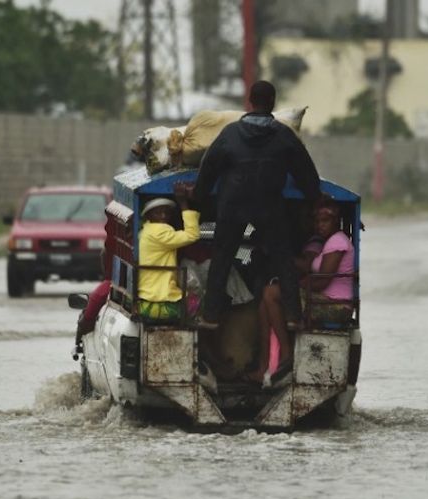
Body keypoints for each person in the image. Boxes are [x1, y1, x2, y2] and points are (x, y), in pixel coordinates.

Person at [192, 80, 322, 330]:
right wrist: (313, 195)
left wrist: (198, 195)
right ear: (272, 102)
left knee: (222, 256)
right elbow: (306, 172)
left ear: (250, 102)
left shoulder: (229, 134)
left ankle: (211, 317)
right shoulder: (284, 136)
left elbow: (208, 168)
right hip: (269, 206)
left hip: (232, 206)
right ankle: (294, 317)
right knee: (283, 258)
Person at [249, 202, 354, 386]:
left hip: (333, 304)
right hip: (321, 300)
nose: (320, 225)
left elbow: (322, 281)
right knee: (265, 300)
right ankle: (264, 365)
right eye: (317, 221)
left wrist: (294, 285)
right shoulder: (329, 242)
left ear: (335, 221)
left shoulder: (338, 241)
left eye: (325, 220)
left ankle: (286, 354)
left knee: (270, 293)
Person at [137, 183, 200, 323]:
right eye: (158, 212)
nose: (163, 215)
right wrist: (183, 203)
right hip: (160, 296)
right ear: (149, 215)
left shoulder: (145, 231)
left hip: (146, 293)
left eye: (166, 212)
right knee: (199, 302)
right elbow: (193, 235)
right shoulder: (160, 231)